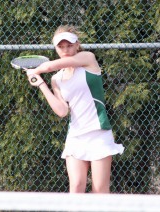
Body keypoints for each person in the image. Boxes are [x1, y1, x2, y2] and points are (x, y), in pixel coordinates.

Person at [26, 25, 124, 193]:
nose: (65, 50)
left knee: (100, 190)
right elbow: (62, 111)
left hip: (98, 134)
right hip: (76, 137)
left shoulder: (88, 59)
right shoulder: (56, 79)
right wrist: (40, 83)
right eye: (61, 46)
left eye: (69, 45)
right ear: (56, 48)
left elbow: (50, 67)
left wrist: (37, 69)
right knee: (76, 187)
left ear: (77, 45)